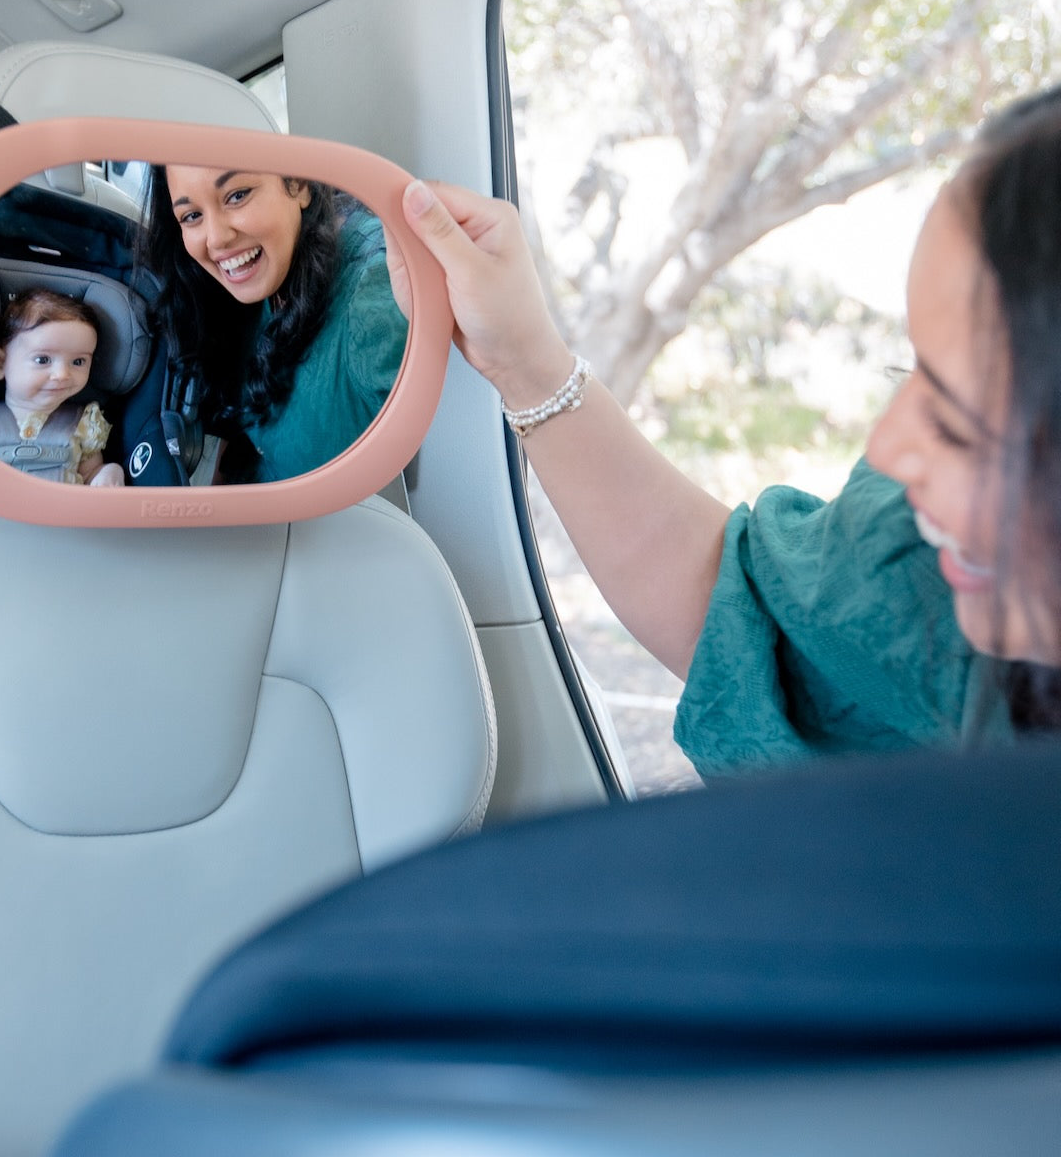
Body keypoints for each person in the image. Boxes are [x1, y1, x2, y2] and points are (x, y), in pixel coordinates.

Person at [386, 87, 1061, 776]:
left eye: (957, 424)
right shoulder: (922, 565)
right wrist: (522, 360)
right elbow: (744, 618)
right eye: (908, 371)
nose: (884, 448)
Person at [124, 167, 407, 485]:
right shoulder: (244, 283)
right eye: (191, 216)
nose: (216, 239)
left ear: (299, 182)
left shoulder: (374, 294)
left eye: (237, 196)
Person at [0, 286, 125, 487]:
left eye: (78, 362)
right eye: (43, 359)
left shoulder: (83, 425)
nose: (62, 374)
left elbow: (89, 475)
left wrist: (107, 473)